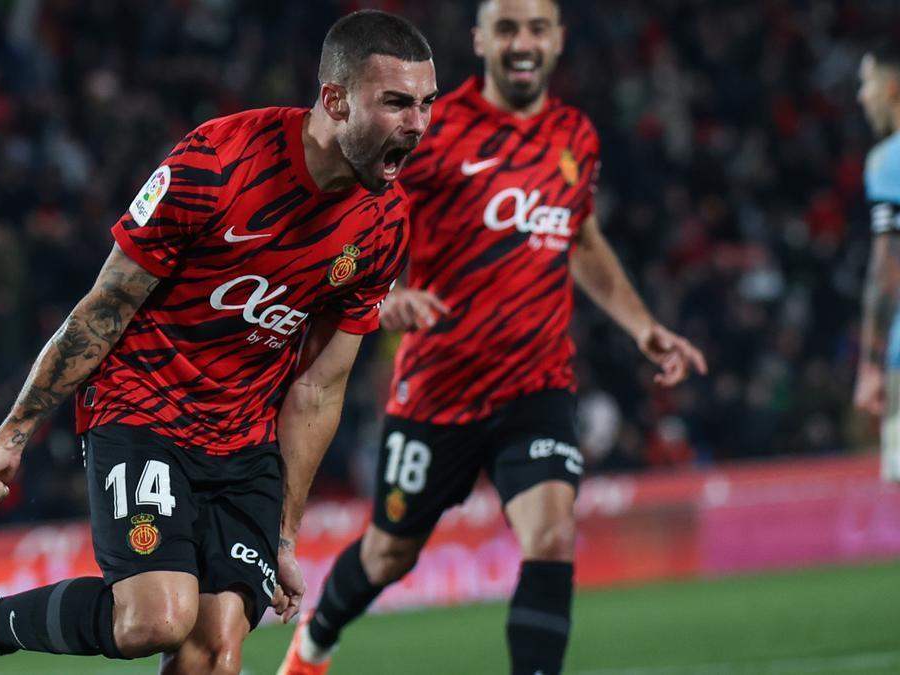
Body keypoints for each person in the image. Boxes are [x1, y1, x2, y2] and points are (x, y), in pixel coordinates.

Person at [0, 9, 437, 675]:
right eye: (397, 103)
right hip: (143, 411)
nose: (418, 125)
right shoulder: (215, 165)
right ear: (334, 98)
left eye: (425, 104)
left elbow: (320, 386)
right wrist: (13, 433)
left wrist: (286, 530)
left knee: (214, 652)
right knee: (156, 617)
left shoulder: (383, 225)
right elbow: (106, 305)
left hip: (245, 444)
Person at [278, 2, 707, 674]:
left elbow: (582, 237)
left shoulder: (575, 137)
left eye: (537, 28)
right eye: (507, 28)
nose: (523, 42)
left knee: (553, 533)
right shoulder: (433, 129)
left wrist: (643, 326)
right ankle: (313, 643)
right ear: (481, 40)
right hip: (438, 389)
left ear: (559, 39)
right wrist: (382, 293)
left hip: (537, 383)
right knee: (388, 553)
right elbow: (359, 210)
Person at [853, 40, 900, 483]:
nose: (860, 96)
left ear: (891, 88)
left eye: (866, 83)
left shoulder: (890, 161)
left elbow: (887, 270)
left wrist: (870, 364)